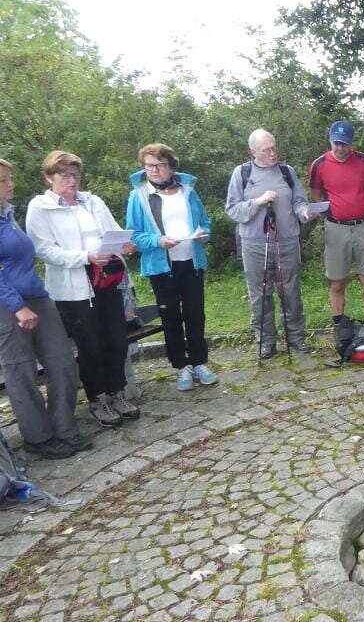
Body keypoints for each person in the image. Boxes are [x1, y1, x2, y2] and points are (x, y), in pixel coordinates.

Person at [26, 150, 140, 427]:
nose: (72, 180)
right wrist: (85, 257)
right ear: (49, 177)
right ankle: (98, 398)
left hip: (107, 278)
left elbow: (113, 229)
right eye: (64, 175)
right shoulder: (40, 208)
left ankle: (116, 392)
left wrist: (124, 244)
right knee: (91, 345)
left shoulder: (93, 201)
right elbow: (44, 250)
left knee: (116, 339)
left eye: (75, 174)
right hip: (74, 288)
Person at [0, 159, 90, 458]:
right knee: (21, 369)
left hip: (37, 296)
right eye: (3, 180)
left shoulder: (7, 214)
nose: (11, 184)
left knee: (62, 361)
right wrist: (17, 306)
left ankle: (64, 428)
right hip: (7, 306)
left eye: (9, 178)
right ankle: (37, 438)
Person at [125, 143, 218, 391]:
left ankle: (199, 362)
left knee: (195, 314)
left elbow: (205, 223)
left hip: (192, 262)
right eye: (149, 166)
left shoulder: (188, 191)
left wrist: (203, 235)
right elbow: (133, 235)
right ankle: (181, 367)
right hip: (161, 267)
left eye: (160, 165)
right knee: (171, 317)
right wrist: (158, 241)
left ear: (171, 166)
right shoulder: (139, 196)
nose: (154, 170)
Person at [225, 129, 314, 357]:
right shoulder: (242, 173)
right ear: (253, 151)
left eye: (274, 148)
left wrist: (304, 212)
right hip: (254, 244)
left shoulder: (286, 171)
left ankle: (296, 338)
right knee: (260, 293)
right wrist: (258, 202)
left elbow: (299, 201)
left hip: (287, 242)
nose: (273, 153)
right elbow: (232, 210)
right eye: (266, 150)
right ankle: (266, 340)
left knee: (291, 290)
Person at [308, 120, 364, 345]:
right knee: (337, 281)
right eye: (336, 143)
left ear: (351, 143)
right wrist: (331, 210)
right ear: (330, 141)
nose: (340, 148)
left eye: (345, 144)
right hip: (336, 228)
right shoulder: (319, 164)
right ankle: (339, 327)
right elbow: (315, 193)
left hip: (363, 226)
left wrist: (360, 205)